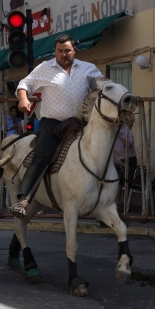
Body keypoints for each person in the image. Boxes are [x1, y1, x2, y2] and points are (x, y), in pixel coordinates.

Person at [11, 34, 107, 219]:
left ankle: (105, 203)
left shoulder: (88, 68)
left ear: (74, 50)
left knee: (103, 153)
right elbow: (25, 83)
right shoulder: (45, 68)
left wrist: (111, 88)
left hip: (81, 123)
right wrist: (23, 98)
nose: (64, 54)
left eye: (67, 51)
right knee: (41, 156)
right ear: (55, 51)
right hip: (53, 123)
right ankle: (24, 200)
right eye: (60, 51)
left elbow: (102, 84)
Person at [113, 125, 137, 208]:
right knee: (117, 182)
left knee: (127, 181)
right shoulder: (110, 131)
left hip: (129, 160)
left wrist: (118, 137)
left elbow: (129, 144)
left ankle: (128, 203)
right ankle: (117, 202)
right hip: (116, 161)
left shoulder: (126, 130)